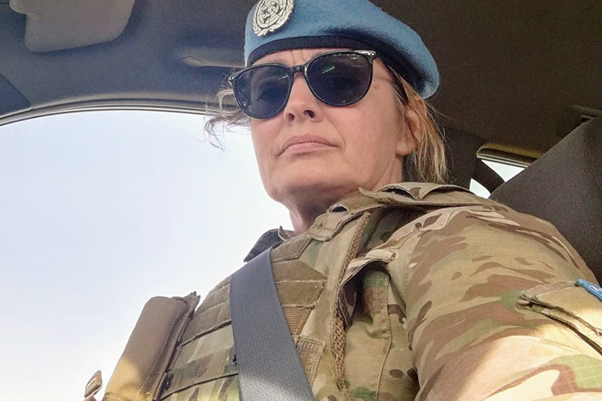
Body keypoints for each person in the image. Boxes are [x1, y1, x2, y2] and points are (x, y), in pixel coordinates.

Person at [94, 0, 602, 400]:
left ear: (408, 127)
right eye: (267, 90)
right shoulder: (229, 293)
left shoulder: (463, 242)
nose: (296, 105)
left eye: (339, 79)